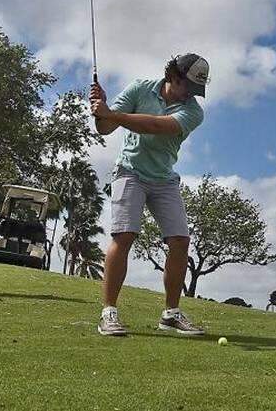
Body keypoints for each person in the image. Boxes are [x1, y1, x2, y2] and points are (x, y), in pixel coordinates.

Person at [89, 53, 209, 337]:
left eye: (196, 91)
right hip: (129, 172)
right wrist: (100, 110)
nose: (191, 95)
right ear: (173, 77)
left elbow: (155, 127)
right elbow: (105, 128)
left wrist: (112, 114)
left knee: (180, 240)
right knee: (124, 235)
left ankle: (171, 314)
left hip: (164, 178)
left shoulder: (194, 112)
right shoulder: (140, 88)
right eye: (188, 87)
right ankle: (109, 312)